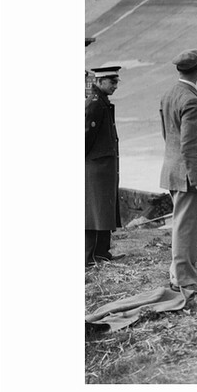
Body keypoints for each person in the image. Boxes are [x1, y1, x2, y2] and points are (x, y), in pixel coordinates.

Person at [159, 49, 197, 295]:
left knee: (183, 224)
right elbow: (189, 145)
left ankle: (179, 274)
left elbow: (168, 135)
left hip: (174, 171)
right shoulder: (191, 100)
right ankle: (184, 280)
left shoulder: (170, 93)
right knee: (186, 228)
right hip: (187, 176)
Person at [85, 65, 125, 266]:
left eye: (116, 81)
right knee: (94, 212)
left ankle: (102, 253)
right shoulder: (94, 104)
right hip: (96, 168)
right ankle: (89, 256)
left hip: (103, 167)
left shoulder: (102, 102)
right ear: (99, 82)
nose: (116, 86)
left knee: (103, 212)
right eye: (112, 81)